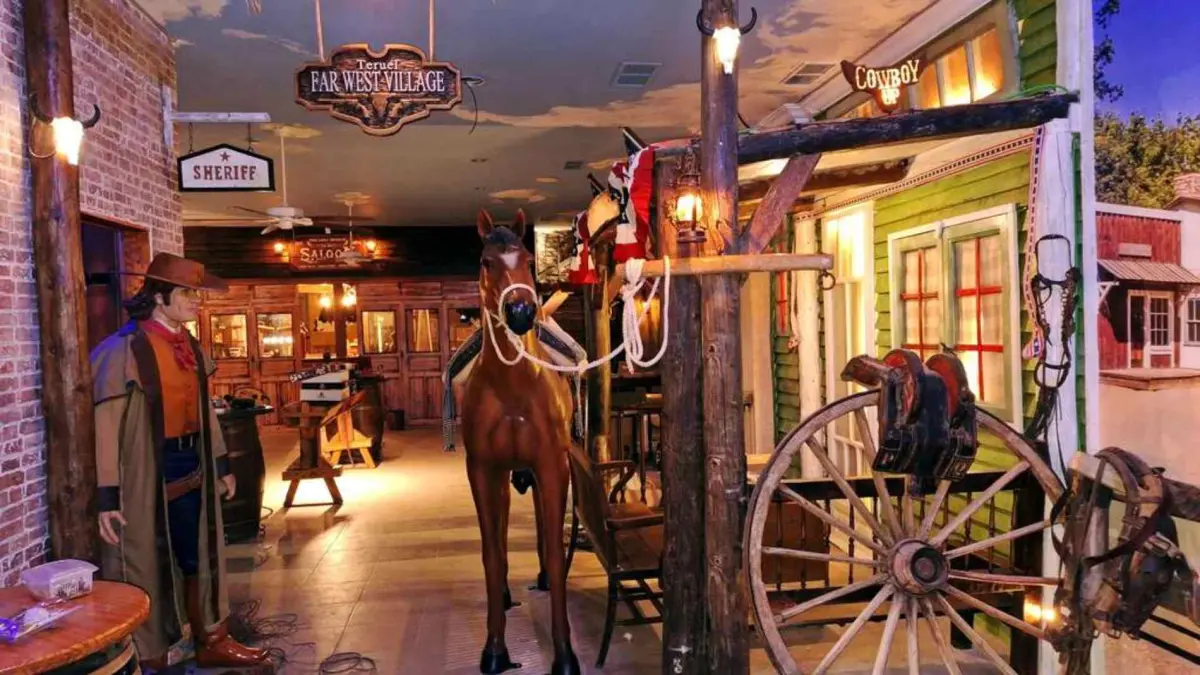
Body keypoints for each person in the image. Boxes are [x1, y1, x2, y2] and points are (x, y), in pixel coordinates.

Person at [90, 253, 269, 671]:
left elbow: (205, 410)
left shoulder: (189, 345)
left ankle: (212, 638)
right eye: (187, 293)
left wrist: (221, 464)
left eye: (197, 294)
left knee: (199, 553)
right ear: (159, 296)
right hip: (146, 468)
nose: (196, 302)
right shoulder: (123, 350)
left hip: (193, 463)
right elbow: (105, 426)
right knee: (144, 558)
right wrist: (107, 496)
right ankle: (149, 653)